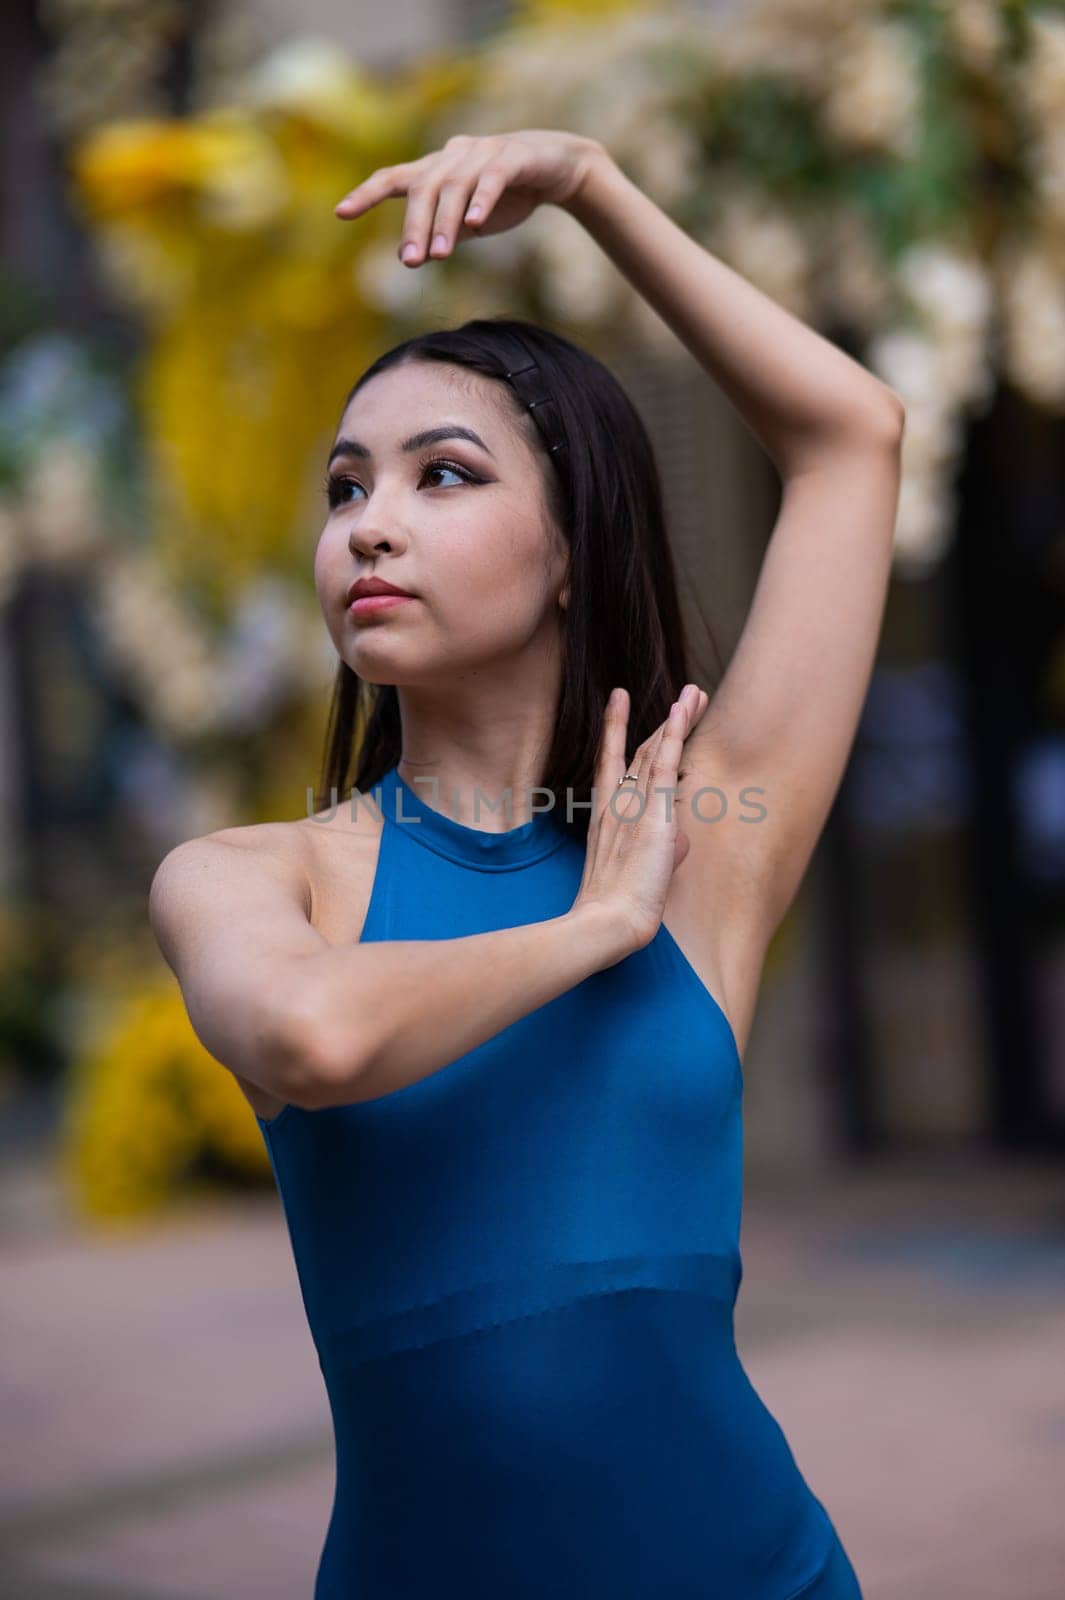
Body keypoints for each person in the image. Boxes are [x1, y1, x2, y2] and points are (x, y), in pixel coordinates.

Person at [150, 128, 904, 1597]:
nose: (369, 525)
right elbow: (311, 1033)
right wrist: (589, 929)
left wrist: (596, 186)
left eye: (441, 477)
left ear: (569, 549)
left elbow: (850, 435)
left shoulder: (702, 845)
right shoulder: (251, 876)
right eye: (344, 487)